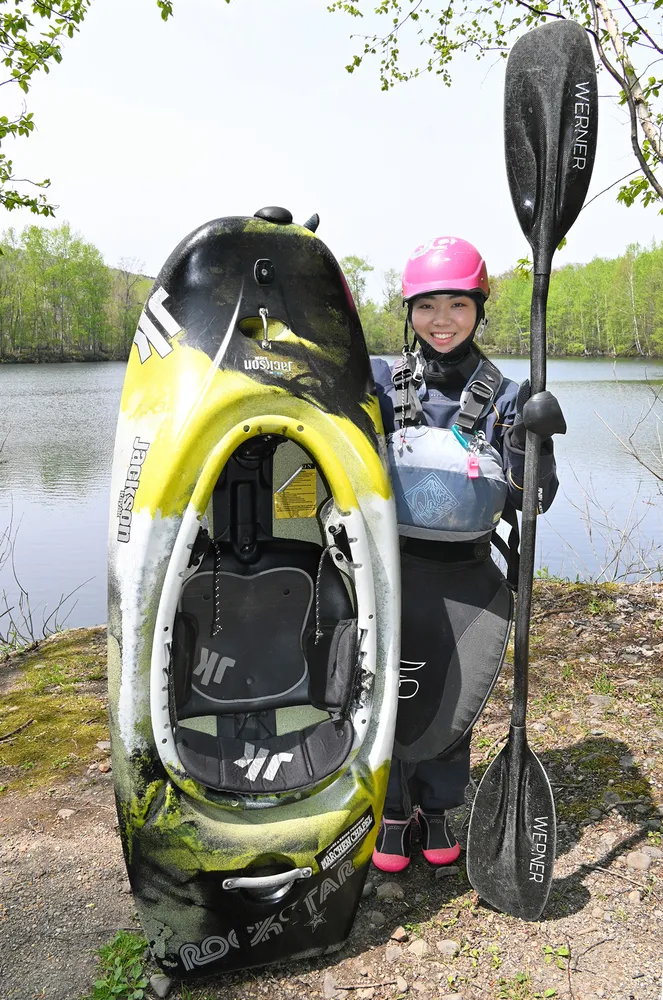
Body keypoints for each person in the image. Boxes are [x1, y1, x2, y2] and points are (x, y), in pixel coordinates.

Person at [369, 236, 565, 872]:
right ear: (409, 313)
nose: (443, 320)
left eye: (458, 303)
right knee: (387, 695)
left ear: (480, 308)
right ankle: (392, 809)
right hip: (390, 574)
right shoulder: (379, 382)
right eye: (427, 306)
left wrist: (535, 441)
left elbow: (530, 503)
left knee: (454, 696)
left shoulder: (507, 397)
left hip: (469, 579)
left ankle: (440, 807)